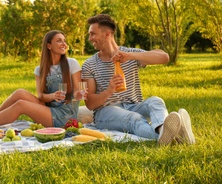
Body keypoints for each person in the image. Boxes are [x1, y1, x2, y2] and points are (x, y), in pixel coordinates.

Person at [81, 14, 195, 146]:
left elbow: (164, 57)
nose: (90, 38)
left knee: (156, 101)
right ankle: (177, 137)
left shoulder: (129, 54)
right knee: (135, 119)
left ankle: (163, 130)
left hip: (133, 106)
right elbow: (89, 103)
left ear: (107, 34)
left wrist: (130, 56)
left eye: (93, 34)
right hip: (106, 112)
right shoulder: (89, 65)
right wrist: (108, 90)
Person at [0, 30, 84, 128]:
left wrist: (80, 94)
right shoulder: (40, 70)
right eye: (59, 41)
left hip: (64, 116)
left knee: (21, 105)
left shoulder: (71, 63)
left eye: (64, 41)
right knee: (19, 93)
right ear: (49, 45)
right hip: (49, 109)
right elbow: (41, 96)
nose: (64, 44)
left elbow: (77, 92)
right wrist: (52, 96)